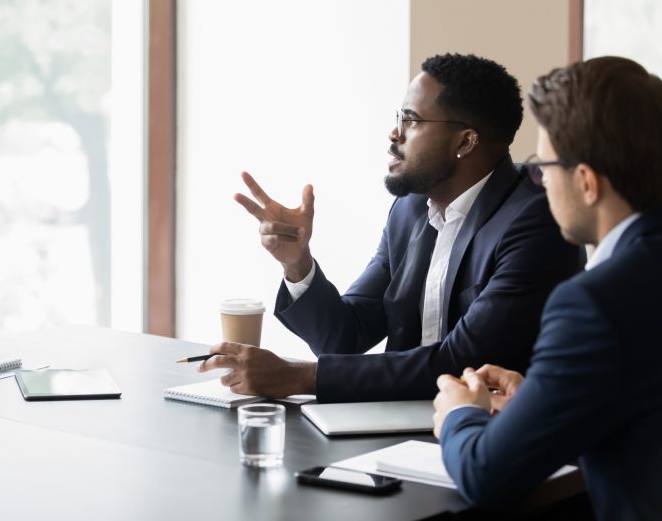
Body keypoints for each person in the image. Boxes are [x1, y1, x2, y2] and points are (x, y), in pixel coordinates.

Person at [199, 53, 583, 401]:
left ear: (465, 141)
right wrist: (297, 263)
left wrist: (296, 377)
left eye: (411, 120)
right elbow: (345, 339)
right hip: (399, 422)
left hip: (491, 432)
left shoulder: (536, 219)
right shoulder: (410, 210)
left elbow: (460, 361)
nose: (394, 133)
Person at [433, 56, 662, 520]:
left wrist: (460, 414)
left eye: (544, 167)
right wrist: (542, 395)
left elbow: (486, 475)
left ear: (585, 182)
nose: (538, 182)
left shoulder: (594, 303)